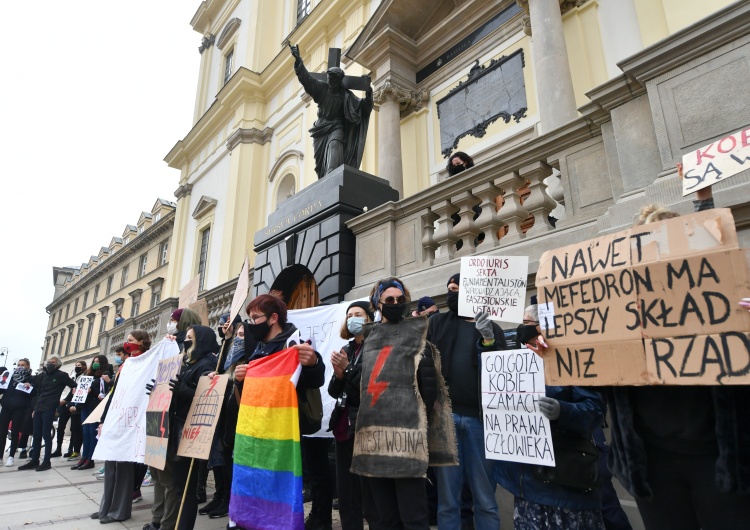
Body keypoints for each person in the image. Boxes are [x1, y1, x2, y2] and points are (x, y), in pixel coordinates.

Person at [601, 177, 750, 530]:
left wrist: (703, 204)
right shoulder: (616, 313)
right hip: (651, 467)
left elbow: (715, 259)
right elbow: (596, 381)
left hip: (720, 460)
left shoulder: (728, 302)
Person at [351, 277, 457, 530]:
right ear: (378, 304)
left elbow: (428, 390)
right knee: (385, 519)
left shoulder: (419, 337)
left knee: (414, 518)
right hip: (374, 444)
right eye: (389, 300)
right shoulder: (368, 341)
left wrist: (409, 416)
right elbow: (359, 390)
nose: (396, 303)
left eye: (400, 299)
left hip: (407, 442)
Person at [497, 306, 607, 529]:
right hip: (527, 484)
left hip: (565, 483)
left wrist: (561, 411)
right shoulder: (517, 361)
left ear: (544, 327)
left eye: (526, 323)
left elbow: (594, 410)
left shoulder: (571, 359)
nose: (521, 328)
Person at [231, 294, 326, 528]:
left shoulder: (293, 344)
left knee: (278, 487)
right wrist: (240, 380)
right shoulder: (258, 349)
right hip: (257, 436)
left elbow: (314, 380)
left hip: (283, 434)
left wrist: (313, 363)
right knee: (256, 485)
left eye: (255, 318)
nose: (251, 323)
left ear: (273, 318)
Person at [427, 273, 506, 530]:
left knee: (485, 499)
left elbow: (502, 373)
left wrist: (488, 340)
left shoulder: (491, 328)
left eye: (458, 288)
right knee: (448, 500)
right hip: (445, 423)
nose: (453, 293)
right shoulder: (436, 323)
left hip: (480, 423)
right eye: (450, 288)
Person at [290, 43, 374, 179]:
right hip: (321, 129)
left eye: (332, 80)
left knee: (335, 145)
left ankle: (332, 177)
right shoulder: (321, 89)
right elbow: (307, 80)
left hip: (337, 126)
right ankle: (325, 181)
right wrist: (298, 60)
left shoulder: (345, 95)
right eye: (328, 79)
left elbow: (362, 107)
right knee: (320, 164)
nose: (330, 82)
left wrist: (369, 94)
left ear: (338, 80)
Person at [92, 331, 151, 524]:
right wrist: (103, 419)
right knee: (110, 465)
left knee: (123, 467)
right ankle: (107, 506)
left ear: (142, 342)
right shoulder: (125, 365)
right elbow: (114, 394)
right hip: (116, 417)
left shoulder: (147, 362)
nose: (127, 344)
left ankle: (120, 510)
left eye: (131, 341)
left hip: (131, 421)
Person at [166, 324, 221, 530]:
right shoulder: (189, 362)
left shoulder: (206, 365)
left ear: (201, 340)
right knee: (178, 485)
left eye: (190, 337)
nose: (186, 340)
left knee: (186, 488)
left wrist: (183, 389)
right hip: (177, 427)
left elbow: (206, 398)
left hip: (190, 431)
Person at [327, 301, 372, 530]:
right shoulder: (347, 348)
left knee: (368, 492)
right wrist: (339, 375)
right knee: (346, 491)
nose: (354, 318)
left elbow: (369, 388)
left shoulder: (375, 347)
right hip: (344, 428)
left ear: (369, 318)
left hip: (365, 426)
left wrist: (349, 370)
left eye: (359, 314)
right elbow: (334, 391)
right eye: (350, 315)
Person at [18, 355, 77, 471]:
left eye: (53, 362)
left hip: (50, 407)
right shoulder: (42, 375)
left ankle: (46, 461)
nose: (50, 364)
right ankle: (35, 460)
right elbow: (36, 389)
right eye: (49, 362)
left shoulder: (62, 375)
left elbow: (75, 386)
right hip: (39, 407)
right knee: (36, 434)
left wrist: (66, 400)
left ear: (58, 364)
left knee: (46, 434)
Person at [71, 356, 112, 471]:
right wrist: (77, 393)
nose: (95, 364)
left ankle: (90, 458)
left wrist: (92, 391)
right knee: (86, 433)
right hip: (85, 405)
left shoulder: (105, 375)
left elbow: (105, 391)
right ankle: (84, 457)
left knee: (91, 432)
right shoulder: (88, 376)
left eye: (97, 362)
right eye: (94, 362)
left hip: (95, 406)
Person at [0, 358, 34, 467]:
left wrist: (30, 387)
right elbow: (2, 389)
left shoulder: (30, 378)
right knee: (2, 432)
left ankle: (11, 456)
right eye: (18, 364)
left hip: (19, 409)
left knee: (15, 432)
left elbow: (33, 394)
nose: (20, 366)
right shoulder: (10, 376)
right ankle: (0, 456)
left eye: (22, 365)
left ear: (27, 366)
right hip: (6, 407)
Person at [60, 360, 87, 462]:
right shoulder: (73, 375)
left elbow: (82, 392)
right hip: (73, 404)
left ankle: (81, 452)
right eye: (76, 365)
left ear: (84, 367)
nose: (77, 367)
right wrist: (70, 403)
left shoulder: (85, 377)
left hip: (80, 406)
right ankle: (74, 450)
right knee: (74, 429)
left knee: (80, 430)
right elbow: (72, 392)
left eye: (79, 365)